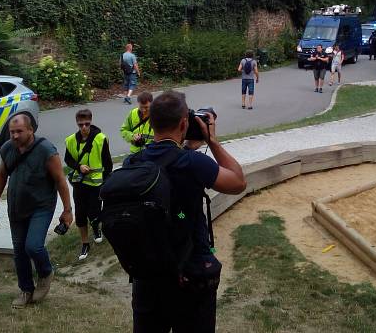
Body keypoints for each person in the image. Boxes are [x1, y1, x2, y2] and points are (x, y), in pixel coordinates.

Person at [129, 90, 246, 333]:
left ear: (150, 122)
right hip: (191, 273)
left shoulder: (134, 162)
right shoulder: (192, 162)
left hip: (148, 274)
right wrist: (211, 141)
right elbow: (237, 183)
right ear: (185, 123)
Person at [0, 114, 73, 309]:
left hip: (41, 207)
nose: (15, 136)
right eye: (12, 132)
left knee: (33, 246)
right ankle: (26, 290)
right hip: (17, 207)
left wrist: (67, 210)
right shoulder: (8, 148)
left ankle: (45, 273)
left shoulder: (46, 151)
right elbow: (1, 175)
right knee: (19, 251)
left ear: (30, 131)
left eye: (19, 131)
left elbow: (61, 180)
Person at [64, 108, 112, 261]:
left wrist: (105, 182)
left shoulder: (100, 139)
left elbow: (108, 164)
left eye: (87, 124)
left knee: (95, 212)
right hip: (79, 183)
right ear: (77, 124)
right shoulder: (71, 140)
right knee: (80, 214)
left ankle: (96, 228)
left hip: (96, 184)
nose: (84, 127)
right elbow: (67, 159)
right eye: (80, 125)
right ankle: (85, 243)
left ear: (91, 122)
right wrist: (79, 167)